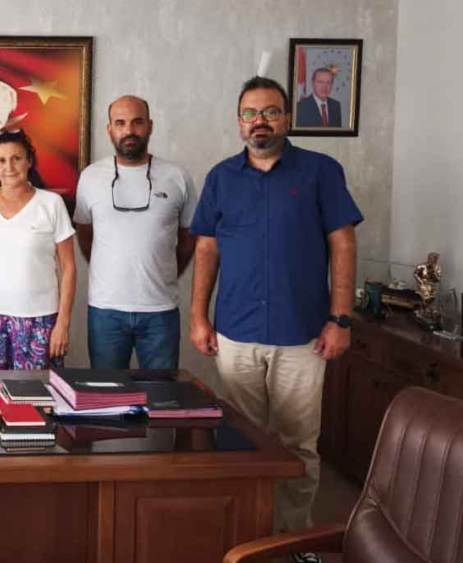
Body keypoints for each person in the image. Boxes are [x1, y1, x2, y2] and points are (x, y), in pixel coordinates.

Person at [189, 76, 363, 563]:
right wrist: (198, 315)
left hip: (302, 334)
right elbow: (206, 249)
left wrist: (341, 318)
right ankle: (246, 535)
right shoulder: (221, 177)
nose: (259, 121)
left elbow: (343, 243)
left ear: (287, 118)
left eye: (270, 112)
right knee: (239, 439)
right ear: (238, 121)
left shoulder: (321, 171)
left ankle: (293, 536)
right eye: (250, 113)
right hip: (236, 332)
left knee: (297, 443)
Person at [73, 95, 198, 370]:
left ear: (150, 126)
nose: (129, 130)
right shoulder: (90, 177)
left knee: (162, 392)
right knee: (106, 392)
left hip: (160, 311)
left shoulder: (177, 176)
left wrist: (162, 271)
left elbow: (189, 239)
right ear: (109, 129)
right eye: (120, 123)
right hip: (106, 311)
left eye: (137, 122)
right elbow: (85, 236)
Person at [0, 130, 76, 369]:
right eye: (1, 160)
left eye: (16, 158)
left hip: (40, 320)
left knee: (36, 390)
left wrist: (63, 323)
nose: (9, 167)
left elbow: (68, 268)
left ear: (29, 161)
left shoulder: (51, 203)